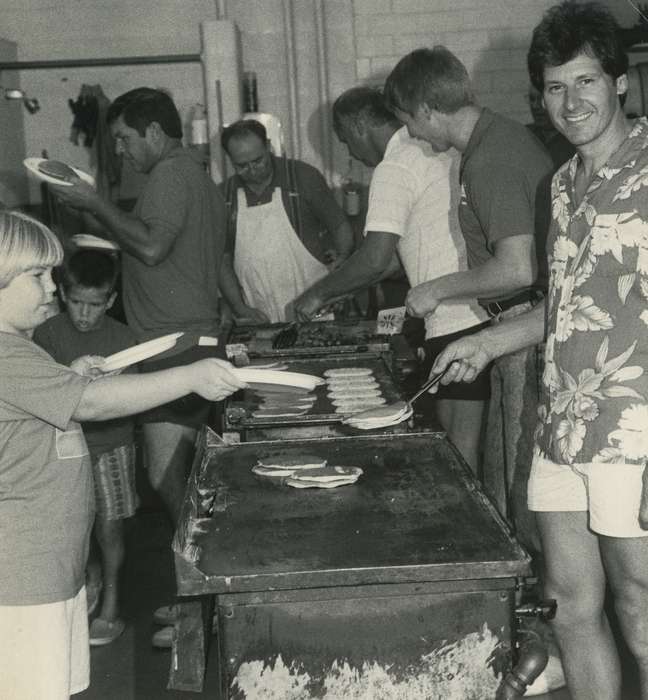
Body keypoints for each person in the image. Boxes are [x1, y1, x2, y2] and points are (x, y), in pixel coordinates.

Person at [429, 3, 648, 698]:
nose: (571, 101)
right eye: (556, 87)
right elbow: (568, 305)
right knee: (572, 604)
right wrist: (486, 341)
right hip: (561, 426)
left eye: (585, 81)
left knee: (641, 609)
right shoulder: (560, 184)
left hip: (634, 430)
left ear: (620, 83)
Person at [0, 211, 245, 700]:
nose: (52, 288)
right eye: (38, 276)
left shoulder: (21, 353)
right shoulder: (7, 353)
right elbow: (90, 403)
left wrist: (70, 375)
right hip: (22, 575)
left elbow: (49, 402)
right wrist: (190, 377)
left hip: (51, 567)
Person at [48, 88, 259, 645]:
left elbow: (151, 249)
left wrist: (94, 203)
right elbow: (208, 260)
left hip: (173, 349)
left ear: (153, 132)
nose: (118, 148)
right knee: (187, 483)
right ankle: (204, 597)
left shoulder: (169, 175)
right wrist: (241, 312)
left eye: (122, 137)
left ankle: (205, 604)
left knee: (172, 484)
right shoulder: (201, 178)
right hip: (194, 338)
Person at [383, 46, 554, 556]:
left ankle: (531, 613)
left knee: (522, 490)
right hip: (511, 324)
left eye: (409, 122)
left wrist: (437, 289)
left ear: (429, 111)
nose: (412, 134)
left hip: (526, 325)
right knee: (505, 481)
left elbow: (517, 268)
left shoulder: (491, 158)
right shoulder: (487, 143)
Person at [293, 86, 490, 472]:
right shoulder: (432, 150)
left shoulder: (396, 164)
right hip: (466, 311)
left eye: (346, 140)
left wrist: (316, 296)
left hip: (456, 319)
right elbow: (394, 261)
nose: (350, 152)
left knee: (458, 454)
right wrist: (341, 289)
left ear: (360, 125)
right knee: (461, 449)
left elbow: (374, 258)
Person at [33, 248, 138, 647]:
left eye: (95, 305)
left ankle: (112, 601)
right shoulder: (46, 335)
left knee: (109, 526)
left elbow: (132, 397)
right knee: (75, 525)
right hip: (63, 448)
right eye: (75, 302)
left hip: (111, 446)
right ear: (61, 292)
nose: (84, 313)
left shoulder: (124, 340)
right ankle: (90, 577)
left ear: (111, 300)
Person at [220, 119, 354, 323]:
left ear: (268, 147)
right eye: (242, 166)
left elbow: (339, 225)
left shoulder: (302, 176)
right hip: (259, 314)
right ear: (230, 160)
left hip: (314, 306)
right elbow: (222, 258)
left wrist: (343, 258)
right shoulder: (224, 195)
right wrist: (239, 308)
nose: (252, 170)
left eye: (257, 161)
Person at [526, 83, 576, 170]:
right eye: (532, 99)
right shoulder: (524, 135)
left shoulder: (575, 140)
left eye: (542, 99)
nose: (535, 106)